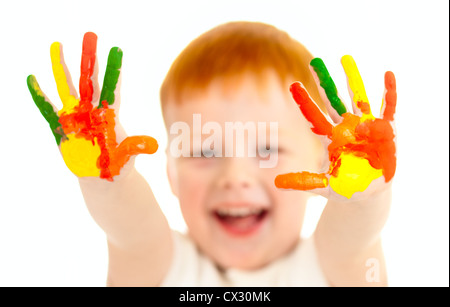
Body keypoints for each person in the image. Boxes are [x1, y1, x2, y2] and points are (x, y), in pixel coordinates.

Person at [27, 21, 397, 286]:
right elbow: (130, 228)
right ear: (171, 172)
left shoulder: (330, 269)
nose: (235, 176)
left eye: (267, 149)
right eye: (204, 151)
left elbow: (354, 241)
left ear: (322, 162)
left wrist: (362, 201)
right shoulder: (158, 268)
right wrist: (107, 182)